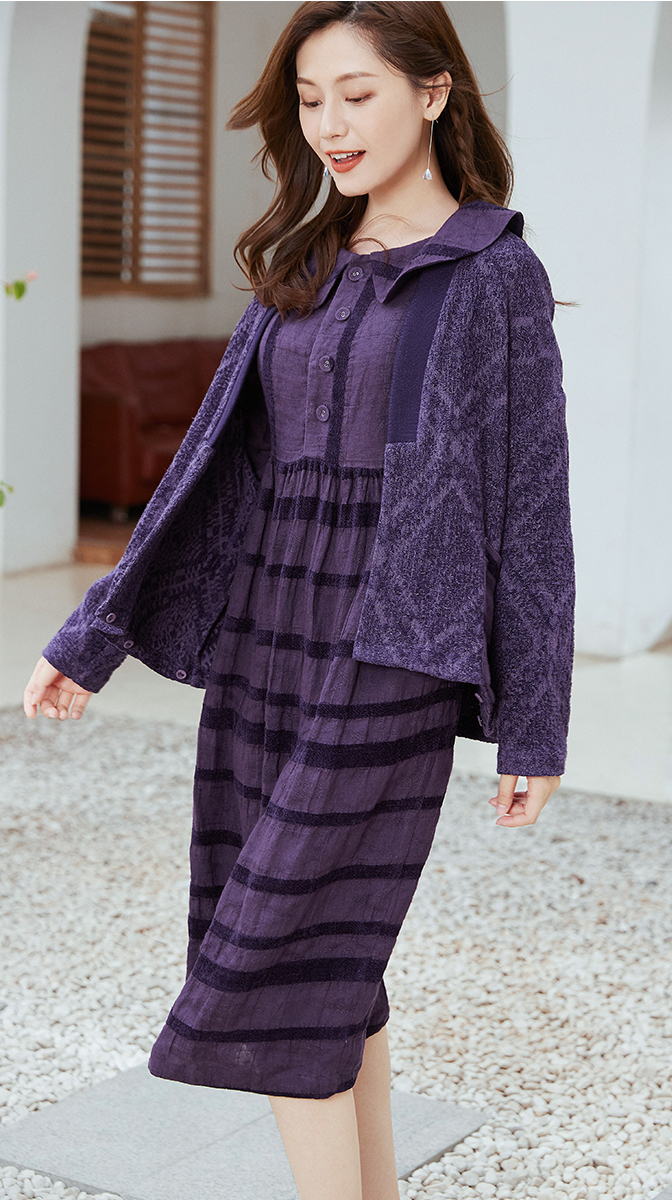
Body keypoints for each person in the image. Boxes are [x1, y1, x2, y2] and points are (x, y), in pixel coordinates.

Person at [22, 3, 575, 1198]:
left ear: (431, 92)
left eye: (356, 94)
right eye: (311, 101)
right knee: (328, 958)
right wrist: (93, 632)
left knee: (275, 966)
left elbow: (531, 506)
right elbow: (208, 465)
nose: (330, 125)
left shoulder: (492, 274)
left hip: (394, 643)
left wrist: (534, 723)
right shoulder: (301, 261)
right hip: (269, 632)